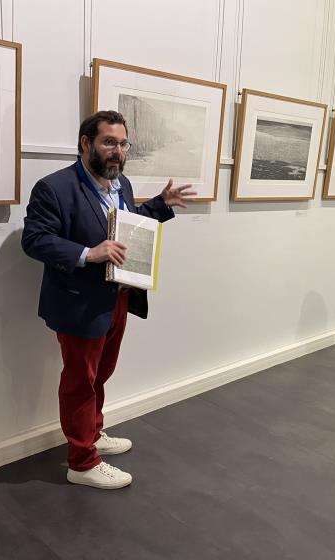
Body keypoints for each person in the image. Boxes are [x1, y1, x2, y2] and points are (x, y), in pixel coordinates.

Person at [22, 110, 196, 489]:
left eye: (122, 144)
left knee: (101, 374)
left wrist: (160, 205)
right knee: (79, 382)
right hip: (77, 301)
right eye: (108, 142)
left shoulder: (122, 185)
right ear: (86, 143)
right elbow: (34, 240)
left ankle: (93, 431)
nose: (117, 151)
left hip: (117, 297)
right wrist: (88, 252)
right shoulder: (54, 187)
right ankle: (82, 461)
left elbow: (125, 225)